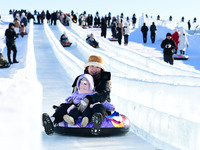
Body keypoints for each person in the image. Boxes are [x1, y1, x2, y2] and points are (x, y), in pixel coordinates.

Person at [42, 55, 112, 136]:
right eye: (92, 66)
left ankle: (97, 120)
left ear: (101, 69)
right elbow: (75, 93)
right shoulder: (81, 78)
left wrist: (90, 98)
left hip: (96, 104)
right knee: (65, 106)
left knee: (99, 107)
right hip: (80, 105)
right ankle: (52, 121)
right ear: (87, 67)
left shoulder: (104, 80)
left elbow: (104, 95)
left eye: (97, 67)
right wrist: (72, 100)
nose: (94, 69)